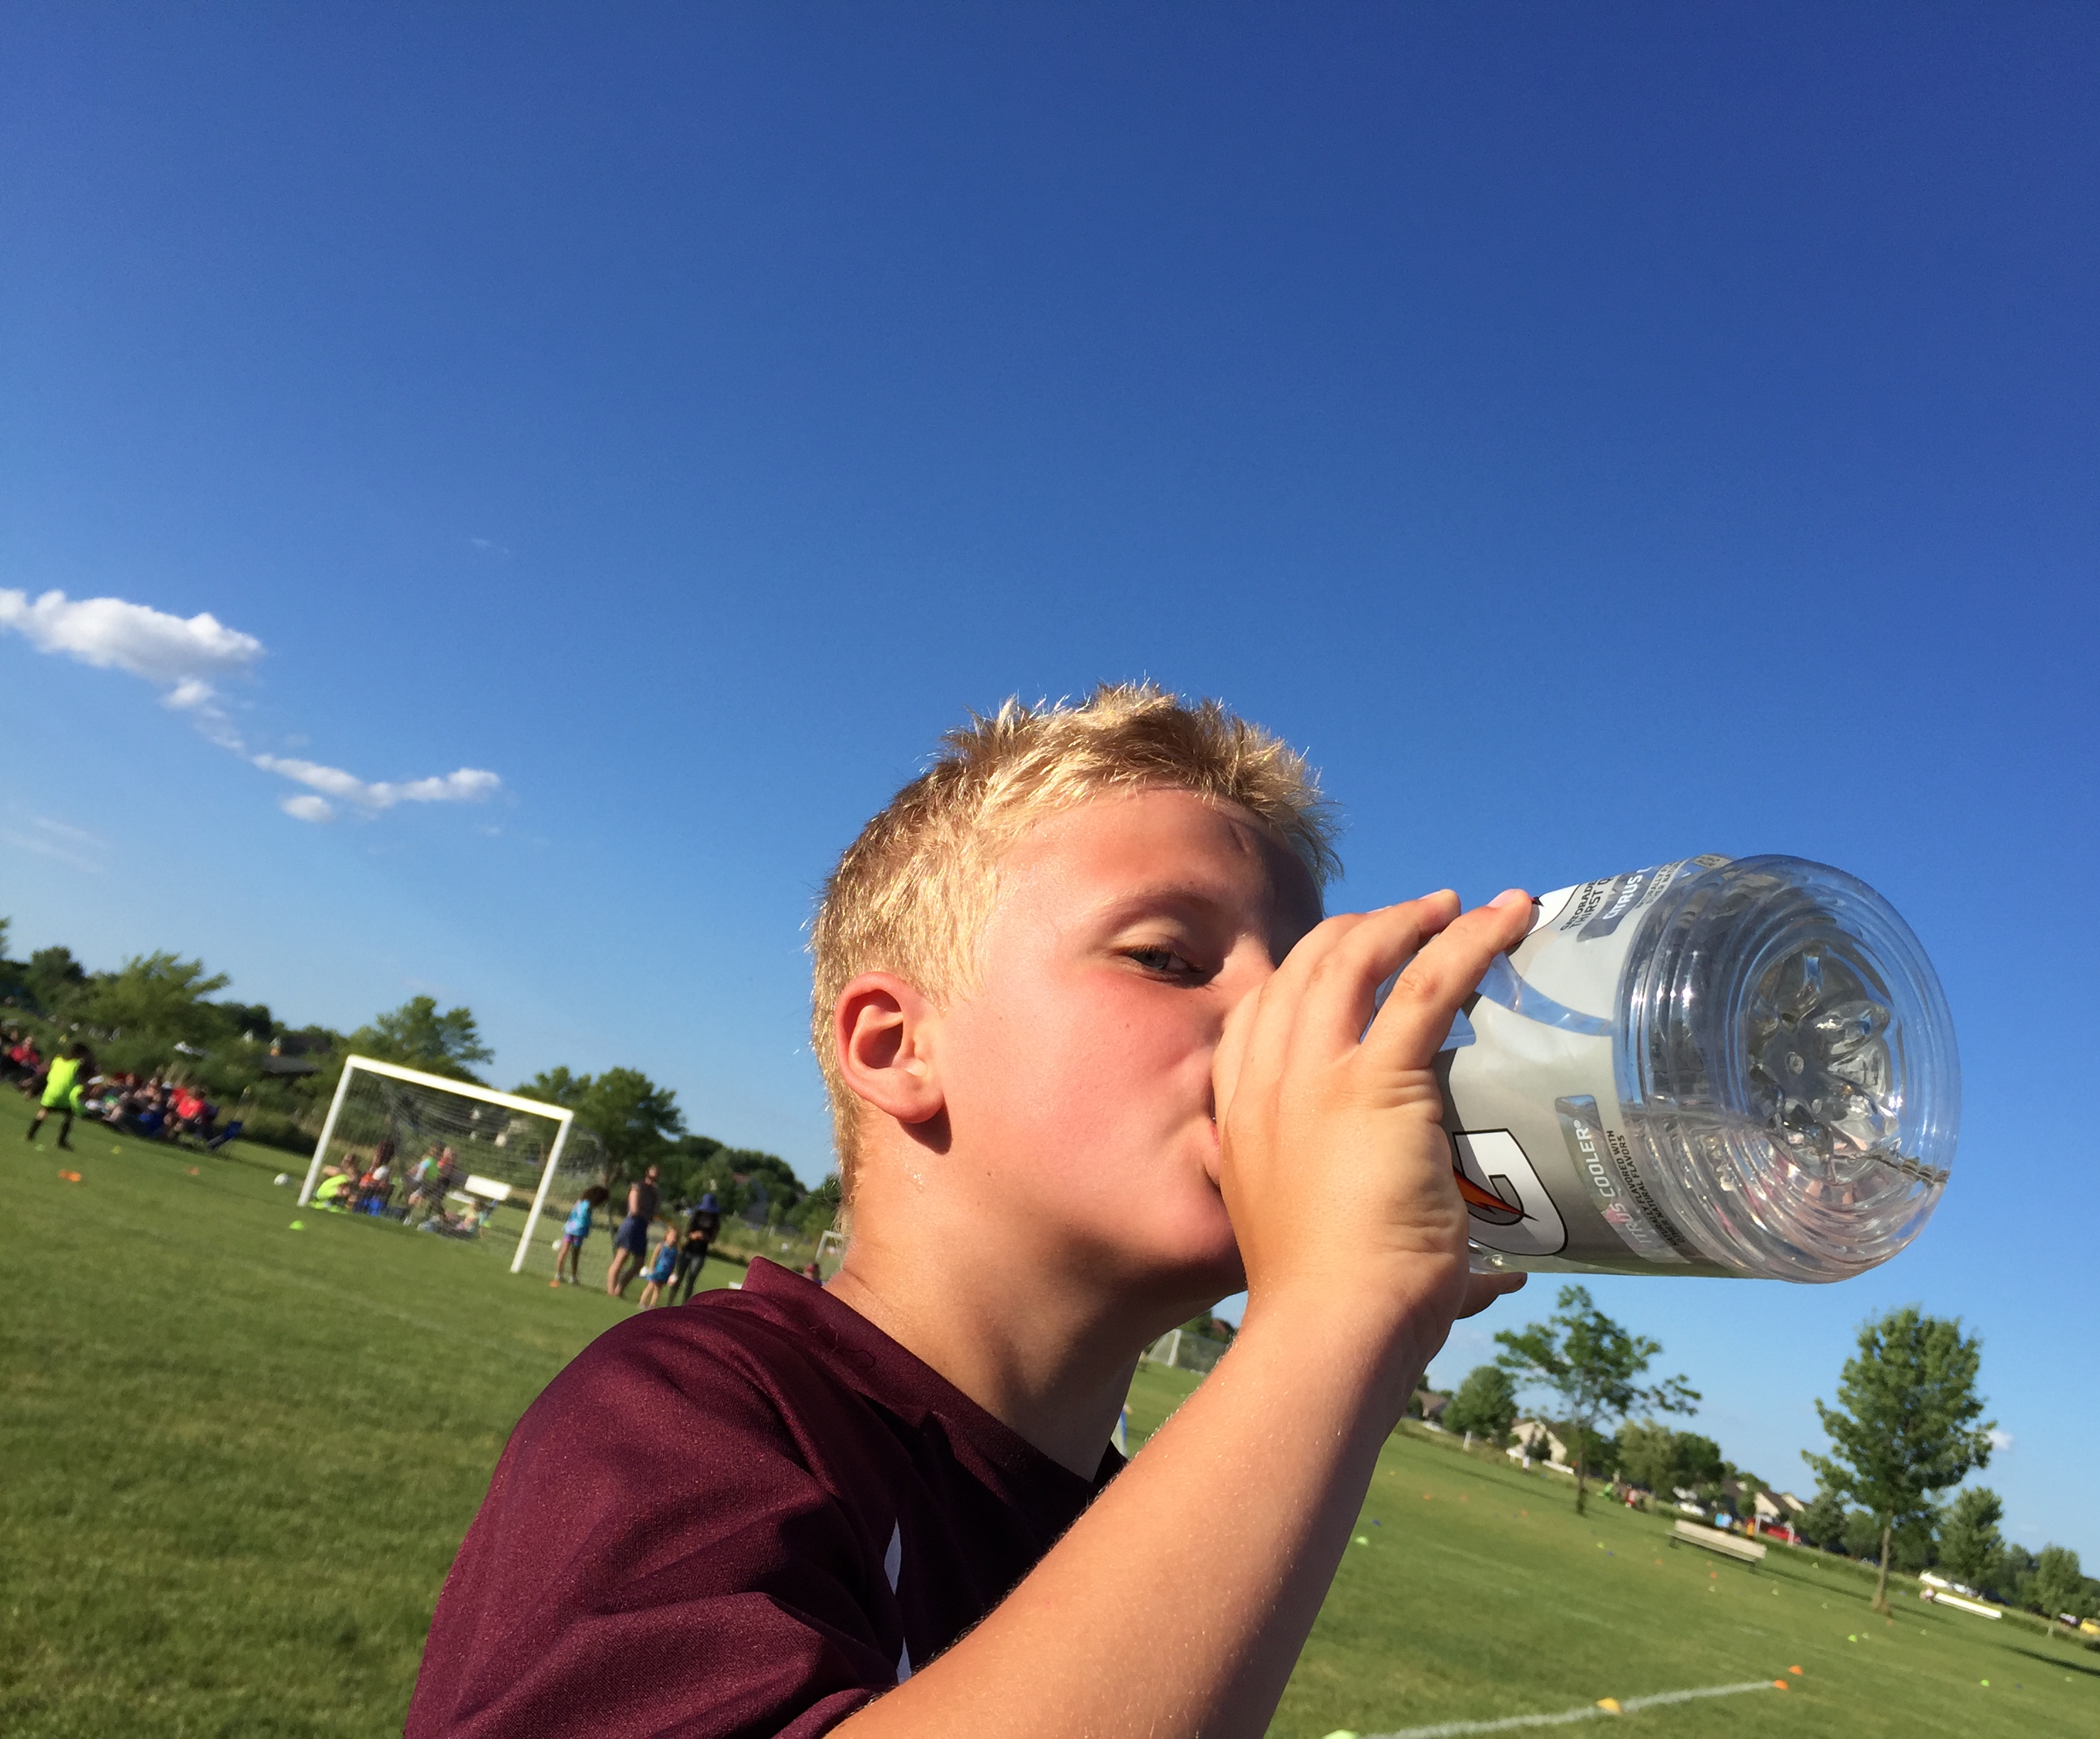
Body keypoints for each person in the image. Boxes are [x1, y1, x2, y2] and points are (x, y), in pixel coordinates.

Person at [406, 683, 1530, 1739]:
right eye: (1168, 958)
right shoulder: (691, 1411)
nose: (1286, 1029)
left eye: (1293, 985)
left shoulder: (1138, 1531)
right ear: (898, 1048)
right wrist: (1335, 1316)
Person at [602, 1164, 662, 1298]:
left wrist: (649, 1213)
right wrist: (647, 1213)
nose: (653, 1178)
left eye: (656, 1175)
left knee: (639, 1263)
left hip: (643, 1226)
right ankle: (611, 1290)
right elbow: (634, 1210)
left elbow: (655, 1213)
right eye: (652, 1174)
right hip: (632, 1224)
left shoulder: (655, 1192)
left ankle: (620, 1289)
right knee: (622, 1257)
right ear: (647, 1173)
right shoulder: (637, 1187)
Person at [25, 1041, 92, 1149]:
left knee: (44, 1111)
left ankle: (30, 1135)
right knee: (70, 1114)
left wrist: (33, 1091)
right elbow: (85, 1077)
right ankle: (61, 1141)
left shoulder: (58, 1060)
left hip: (51, 1092)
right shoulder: (77, 1065)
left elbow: (45, 1075)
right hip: (64, 1095)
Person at [551, 1185, 609, 1288]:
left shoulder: (580, 1201)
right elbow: (584, 1216)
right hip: (579, 1230)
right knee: (575, 1253)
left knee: (564, 1250)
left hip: (570, 1227)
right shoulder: (589, 1205)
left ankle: (558, 1274)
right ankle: (573, 1277)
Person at [671, 1190, 721, 1304]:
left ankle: (685, 1304)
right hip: (688, 1249)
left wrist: (705, 1237)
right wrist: (694, 1235)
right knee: (679, 1277)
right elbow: (687, 1232)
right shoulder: (696, 1216)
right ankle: (670, 1303)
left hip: (700, 1253)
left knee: (691, 1280)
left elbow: (713, 1239)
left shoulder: (715, 1221)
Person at [635, 1225, 682, 1309]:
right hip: (657, 1270)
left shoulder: (675, 1250)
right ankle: (642, 1302)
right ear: (667, 1235)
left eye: (675, 1237)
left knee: (658, 1289)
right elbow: (654, 1258)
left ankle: (652, 1305)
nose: (673, 1239)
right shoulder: (661, 1246)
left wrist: (672, 1273)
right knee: (651, 1286)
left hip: (666, 1272)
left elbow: (673, 1263)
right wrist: (652, 1268)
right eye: (672, 1236)